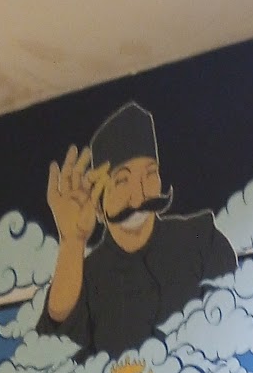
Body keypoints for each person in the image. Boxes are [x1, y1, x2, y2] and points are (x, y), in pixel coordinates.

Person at [38, 100, 236, 358]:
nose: (139, 195)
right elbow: (54, 343)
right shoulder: (86, 278)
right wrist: (72, 242)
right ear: (97, 202)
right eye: (122, 180)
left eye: (150, 174)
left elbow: (235, 318)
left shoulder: (201, 239)